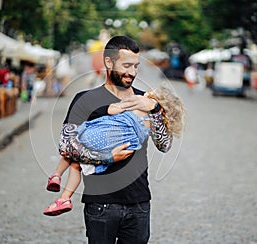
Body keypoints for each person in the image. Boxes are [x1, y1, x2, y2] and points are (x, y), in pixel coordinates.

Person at [44, 36, 180, 243]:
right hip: (101, 205)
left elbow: (164, 145)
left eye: (135, 66)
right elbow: (66, 146)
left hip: (139, 204)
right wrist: (107, 157)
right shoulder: (84, 100)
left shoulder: (146, 100)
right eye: (126, 65)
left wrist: (154, 110)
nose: (132, 72)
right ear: (108, 62)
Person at [43, 83, 185, 215]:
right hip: (104, 190)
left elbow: (164, 145)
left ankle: (57, 177)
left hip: (97, 138)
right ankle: (64, 198)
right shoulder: (153, 118)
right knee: (75, 164)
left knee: (73, 157)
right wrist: (155, 111)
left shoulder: (135, 103)